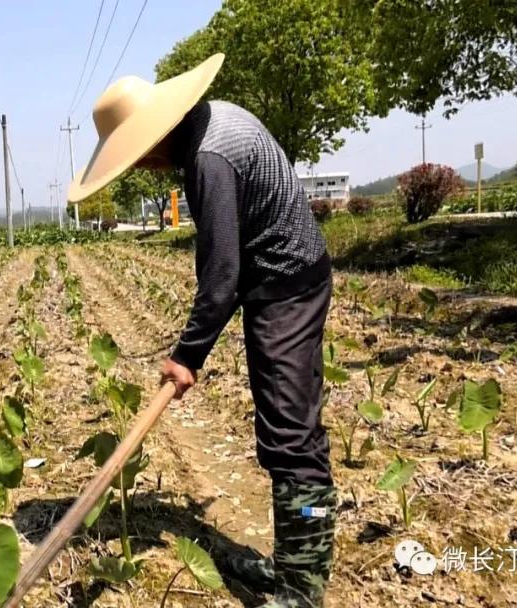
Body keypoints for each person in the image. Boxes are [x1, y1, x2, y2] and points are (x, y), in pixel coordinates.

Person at [67, 54, 336, 608]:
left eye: (136, 159)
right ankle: (290, 567)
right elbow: (228, 273)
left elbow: (220, 277)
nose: (140, 169)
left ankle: (303, 590)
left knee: (291, 441)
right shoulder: (210, 125)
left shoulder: (209, 157)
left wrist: (187, 356)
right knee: (284, 434)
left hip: (288, 285)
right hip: (274, 283)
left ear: (151, 141)